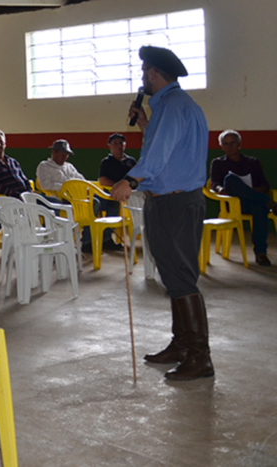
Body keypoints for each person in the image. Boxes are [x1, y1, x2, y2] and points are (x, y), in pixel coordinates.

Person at [112, 45, 212, 381]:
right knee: (175, 274)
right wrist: (144, 124)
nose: (142, 79)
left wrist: (130, 179)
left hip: (173, 203)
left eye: (144, 73)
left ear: (154, 73)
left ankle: (200, 357)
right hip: (179, 200)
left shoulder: (171, 106)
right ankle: (181, 344)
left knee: (180, 277)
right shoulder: (182, 106)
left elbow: (157, 159)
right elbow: (166, 150)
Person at [209, 130, 277, 266]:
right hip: (234, 204)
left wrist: (259, 190)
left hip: (252, 202)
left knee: (259, 208)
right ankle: (270, 203)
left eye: (232, 143)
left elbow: (264, 184)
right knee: (230, 179)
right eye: (225, 144)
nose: (229, 147)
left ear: (239, 144)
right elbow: (215, 183)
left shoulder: (253, 162)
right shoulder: (218, 163)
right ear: (221, 147)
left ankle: (260, 254)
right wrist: (220, 189)